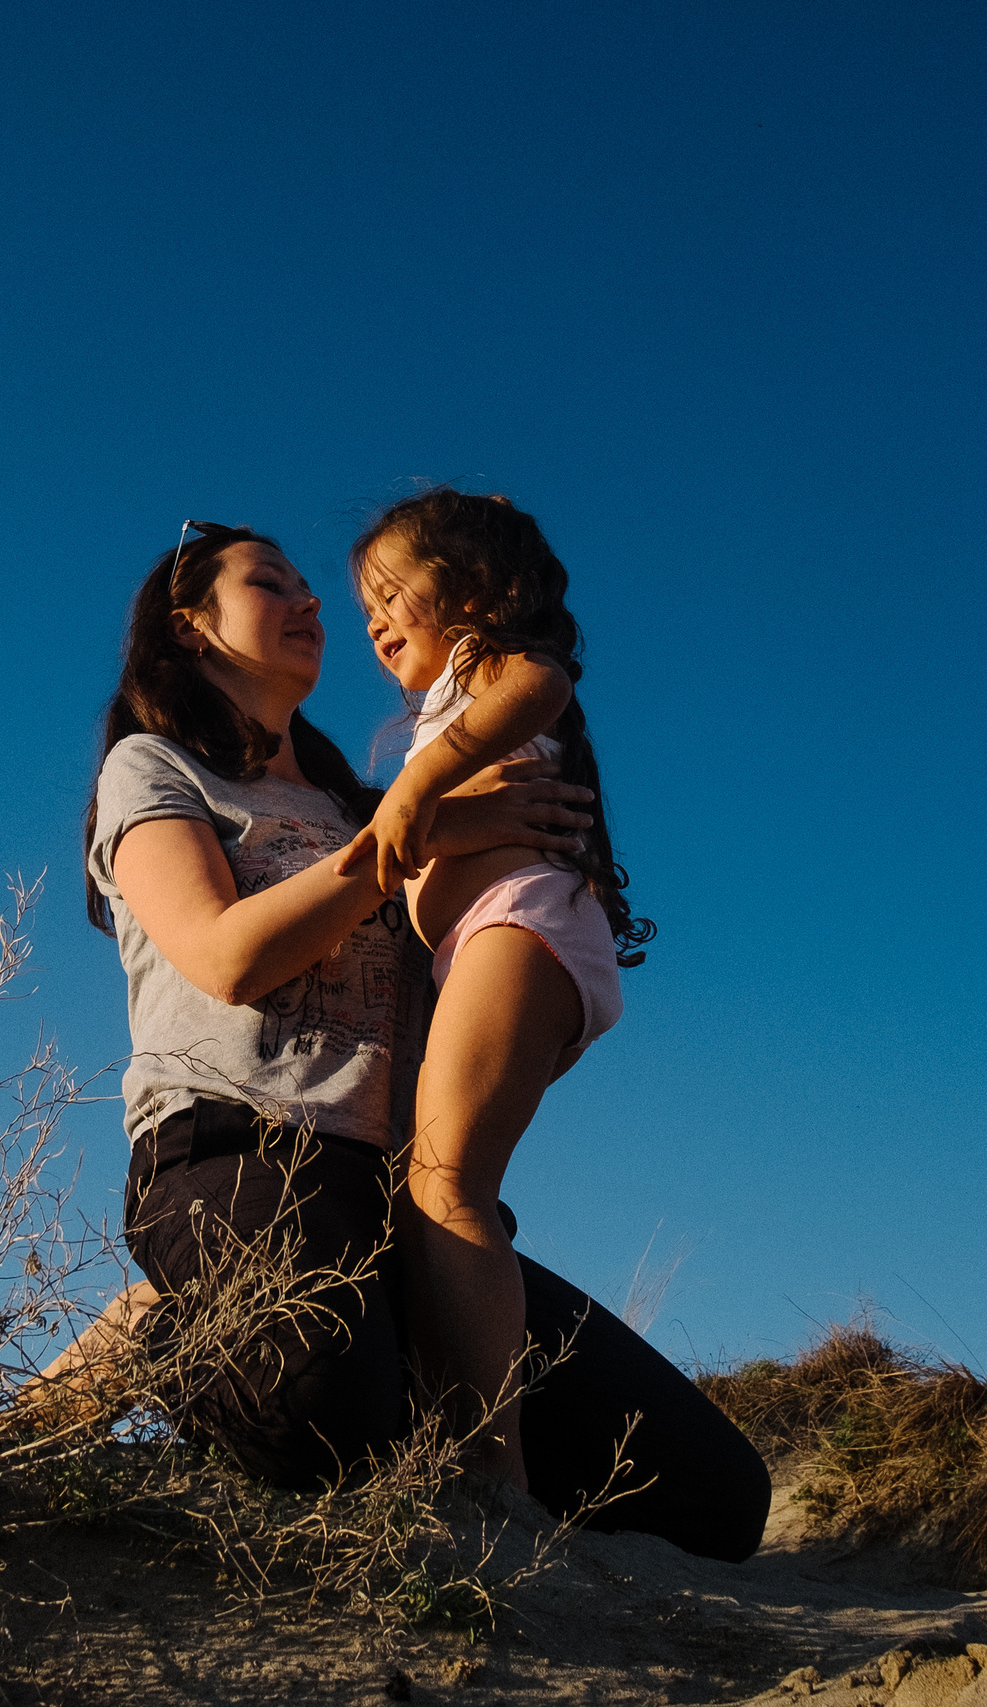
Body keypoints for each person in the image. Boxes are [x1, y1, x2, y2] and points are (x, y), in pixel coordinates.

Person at [80, 519, 768, 1562]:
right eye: (273, 584)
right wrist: (409, 834)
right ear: (187, 628)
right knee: (323, 1424)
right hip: (242, 1153)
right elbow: (225, 957)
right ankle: (170, 1327)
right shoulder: (158, 770)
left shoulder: (381, 800)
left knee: (715, 1500)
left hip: (403, 1199)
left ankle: (355, 1358)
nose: (314, 607)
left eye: (319, 591)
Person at [341, 487, 649, 1493]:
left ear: (484, 592)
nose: (378, 621)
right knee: (432, 1187)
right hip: (487, 943)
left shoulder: (494, 671)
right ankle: (451, 1437)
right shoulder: (441, 711)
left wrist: (421, 789)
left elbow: (542, 682)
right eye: (367, 610)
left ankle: (492, 1475)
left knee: (448, 1186)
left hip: (522, 924)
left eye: (395, 592)